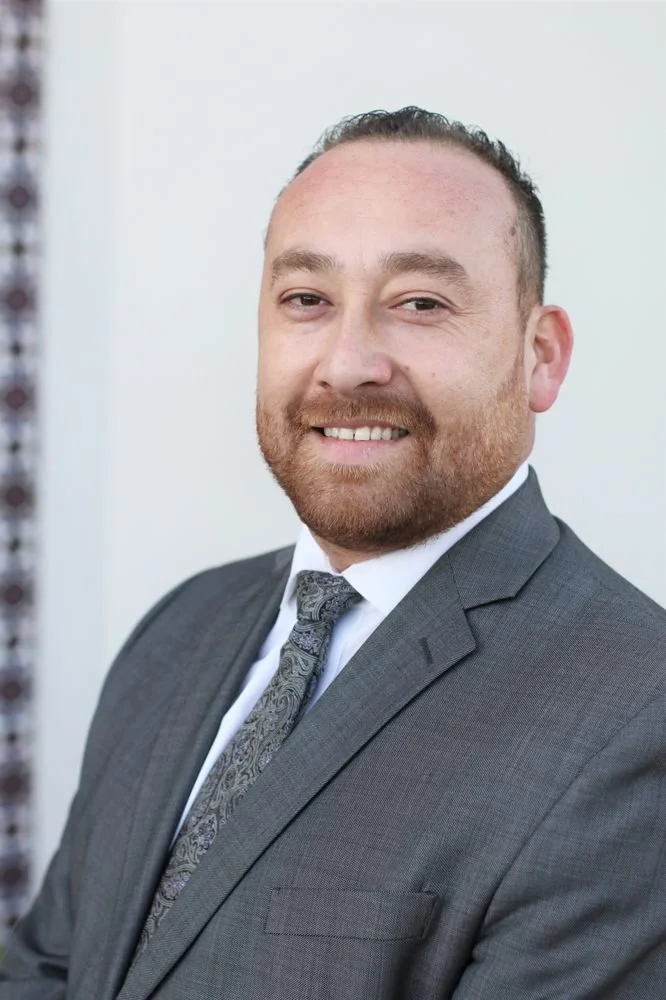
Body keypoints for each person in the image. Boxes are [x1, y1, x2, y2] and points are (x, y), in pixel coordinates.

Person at [2, 107, 664, 999]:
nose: (348, 363)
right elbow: (48, 970)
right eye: (307, 301)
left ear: (540, 356)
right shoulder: (179, 629)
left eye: (420, 303)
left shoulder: (635, 713)